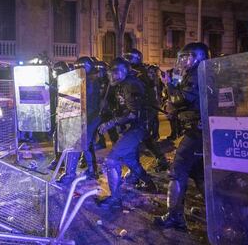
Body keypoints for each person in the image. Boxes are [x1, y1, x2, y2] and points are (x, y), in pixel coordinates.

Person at [154, 42, 210, 230]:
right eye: (182, 57)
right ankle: (218, 212)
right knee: (198, 173)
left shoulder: (196, 75)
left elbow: (182, 99)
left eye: (187, 57)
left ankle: (175, 217)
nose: (183, 61)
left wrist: (169, 85)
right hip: (198, 131)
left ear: (198, 57)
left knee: (177, 172)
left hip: (196, 132)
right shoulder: (195, 74)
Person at [97, 57, 157, 209]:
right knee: (130, 159)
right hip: (133, 128)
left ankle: (115, 199)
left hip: (137, 128)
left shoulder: (130, 85)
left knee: (111, 160)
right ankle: (149, 184)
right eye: (110, 73)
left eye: (114, 73)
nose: (111, 76)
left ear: (122, 72)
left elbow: (133, 113)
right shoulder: (123, 84)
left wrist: (110, 123)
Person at [124, 49, 169, 173]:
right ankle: (161, 159)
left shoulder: (141, 73)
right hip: (136, 109)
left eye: (129, 58)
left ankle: (135, 170)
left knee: (138, 138)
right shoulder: (131, 72)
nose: (127, 60)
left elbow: (145, 91)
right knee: (144, 137)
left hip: (144, 109)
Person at [57, 57, 101, 183]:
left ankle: (70, 174)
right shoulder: (80, 80)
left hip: (90, 116)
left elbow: (85, 100)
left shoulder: (91, 82)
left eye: (82, 67)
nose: (79, 69)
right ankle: (92, 172)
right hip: (83, 116)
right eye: (77, 67)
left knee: (76, 143)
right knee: (86, 145)